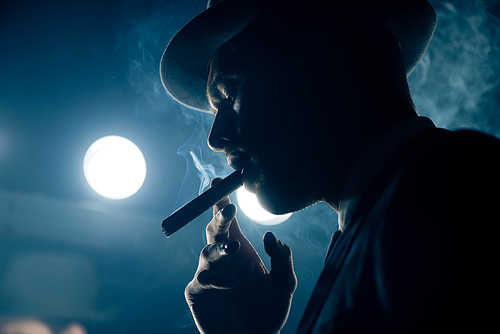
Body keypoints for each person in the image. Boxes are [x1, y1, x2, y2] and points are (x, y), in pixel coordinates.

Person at [160, 0, 500, 332]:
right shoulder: (381, 220)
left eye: (231, 90)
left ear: (316, 62)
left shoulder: (464, 189)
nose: (216, 138)